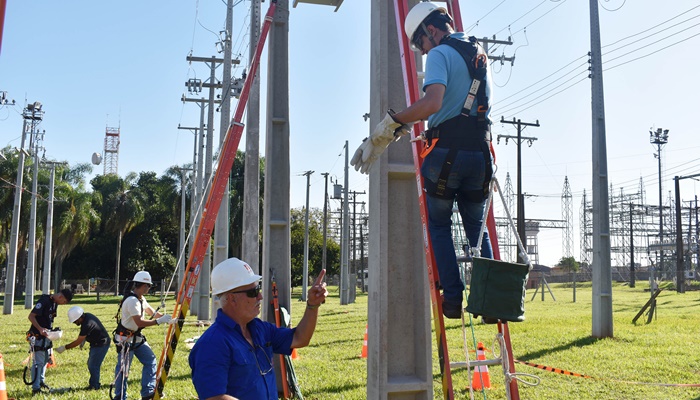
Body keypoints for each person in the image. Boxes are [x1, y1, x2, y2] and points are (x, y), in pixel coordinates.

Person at [350, 2, 493, 319]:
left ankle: (453, 300)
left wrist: (389, 125)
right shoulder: (478, 52)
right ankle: (490, 302)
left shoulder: (441, 53)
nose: (422, 51)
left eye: (420, 43)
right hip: (481, 156)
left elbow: (433, 102)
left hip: (447, 156)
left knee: (440, 225)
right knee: (477, 229)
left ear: (431, 29)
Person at [189, 257, 328, 400]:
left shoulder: (260, 329)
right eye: (253, 292)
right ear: (231, 298)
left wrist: (312, 305)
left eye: (259, 289)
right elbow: (214, 397)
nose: (260, 296)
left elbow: (300, 338)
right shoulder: (212, 344)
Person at [112, 271, 177, 400]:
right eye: (148, 286)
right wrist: (158, 321)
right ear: (143, 286)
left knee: (150, 360)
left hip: (136, 338)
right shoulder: (132, 301)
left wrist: (169, 319)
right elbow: (139, 322)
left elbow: (152, 312)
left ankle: (147, 392)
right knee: (123, 370)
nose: (149, 288)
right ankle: (120, 396)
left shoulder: (141, 299)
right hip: (125, 339)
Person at [26, 288, 73, 395]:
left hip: (47, 336)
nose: (63, 304)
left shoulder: (54, 303)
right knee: (38, 362)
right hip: (37, 335)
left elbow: (49, 319)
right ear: (61, 297)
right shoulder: (44, 301)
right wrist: (40, 329)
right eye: (64, 301)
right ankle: (36, 388)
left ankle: (41, 382)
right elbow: (31, 316)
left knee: (46, 359)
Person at [55, 306, 111, 390]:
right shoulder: (87, 317)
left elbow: (77, 341)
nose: (74, 322)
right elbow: (89, 331)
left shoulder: (87, 323)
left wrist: (65, 347)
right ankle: (93, 384)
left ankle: (94, 386)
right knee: (91, 364)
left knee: (93, 365)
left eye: (75, 321)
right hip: (96, 343)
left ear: (79, 318)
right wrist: (84, 339)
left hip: (101, 344)